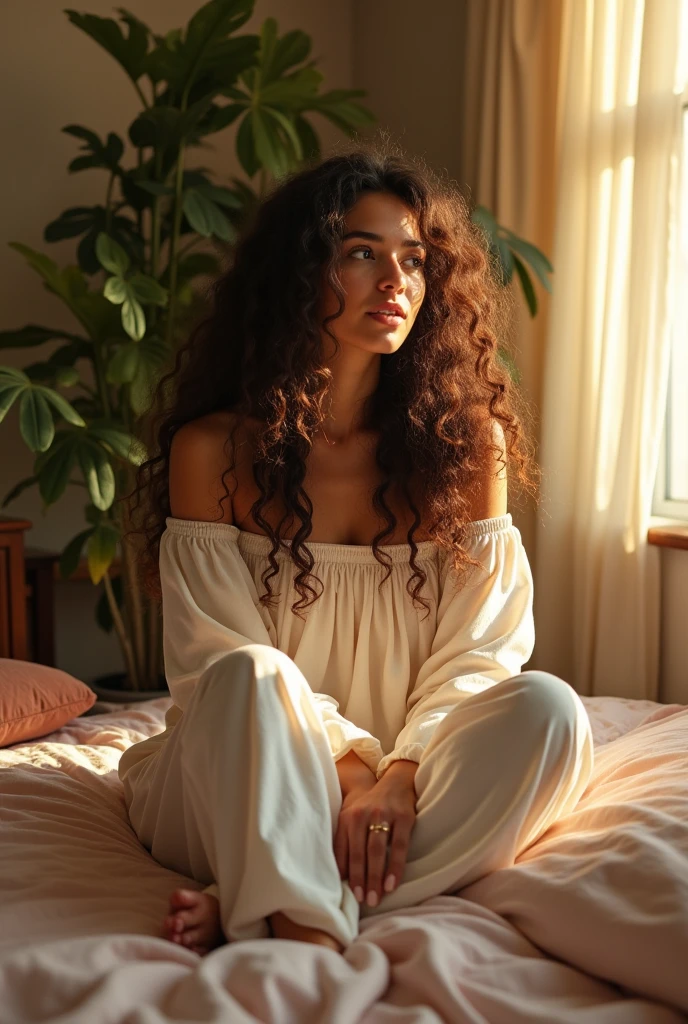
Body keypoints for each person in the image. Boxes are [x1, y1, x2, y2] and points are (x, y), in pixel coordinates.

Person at [118, 140, 594, 958]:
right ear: (302, 274)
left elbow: (480, 651)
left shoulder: (468, 445)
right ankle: (304, 907)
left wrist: (400, 776)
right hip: (236, 777)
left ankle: (276, 892)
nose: (396, 282)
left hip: (407, 787)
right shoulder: (213, 451)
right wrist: (351, 778)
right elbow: (214, 659)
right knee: (253, 674)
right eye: (362, 254)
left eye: (413, 259)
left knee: (550, 711)